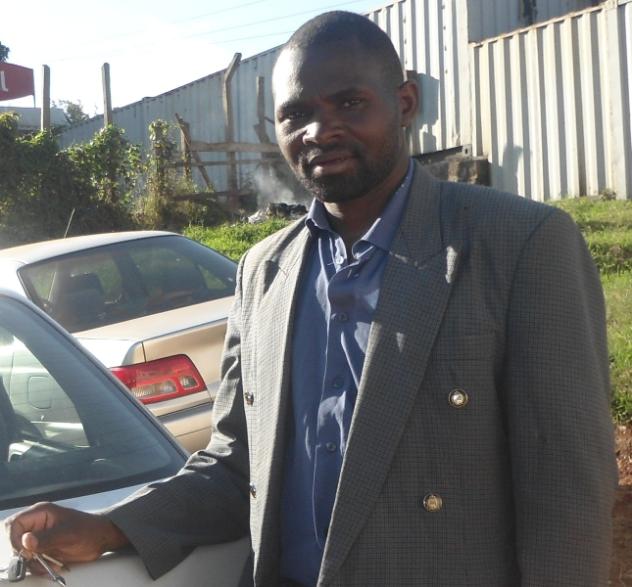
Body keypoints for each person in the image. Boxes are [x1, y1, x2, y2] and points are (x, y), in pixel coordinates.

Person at [5, 11, 617, 587]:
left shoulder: (517, 244)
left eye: (349, 103)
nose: (320, 132)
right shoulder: (263, 272)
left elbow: (567, 485)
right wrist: (111, 527)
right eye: (296, 114)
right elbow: (237, 467)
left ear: (405, 103)